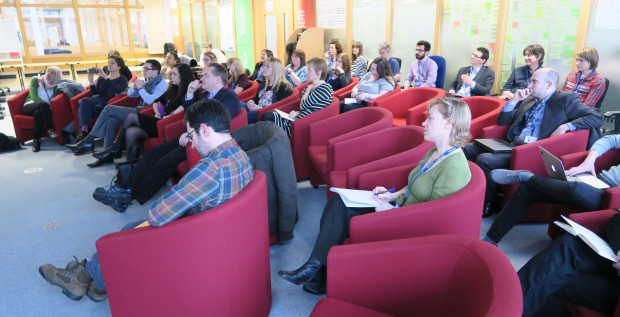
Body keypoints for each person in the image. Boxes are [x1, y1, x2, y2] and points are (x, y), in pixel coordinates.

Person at [39, 99, 254, 303]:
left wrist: (177, 194)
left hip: (195, 241)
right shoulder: (240, 155)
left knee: (124, 236)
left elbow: (157, 215)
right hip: (217, 234)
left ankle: (81, 279)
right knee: (130, 227)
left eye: (191, 135)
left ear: (205, 130)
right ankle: (93, 282)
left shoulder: (210, 169)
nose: (192, 143)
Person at [278, 97, 473, 295]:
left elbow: (434, 218)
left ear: (449, 123)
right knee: (339, 202)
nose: (424, 122)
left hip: (409, 224)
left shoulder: (454, 166)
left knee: (343, 211)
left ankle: (316, 272)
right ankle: (316, 269)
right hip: (399, 209)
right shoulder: (434, 152)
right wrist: (391, 195)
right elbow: (414, 184)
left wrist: (390, 213)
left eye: (430, 118)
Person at [93, 63, 241, 213]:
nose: (201, 78)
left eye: (205, 75)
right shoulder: (205, 94)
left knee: (165, 161)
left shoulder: (229, 97)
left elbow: (218, 124)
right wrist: (190, 93)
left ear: (217, 79)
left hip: (206, 144)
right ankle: (125, 187)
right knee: (154, 153)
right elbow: (190, 114)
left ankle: (129, 195)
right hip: (191, 136)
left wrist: (191, 133)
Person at [462, 68, 602, 217]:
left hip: (531, 151)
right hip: (512, 144)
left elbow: (596, 117)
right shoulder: (529, 99)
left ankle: (489, 200)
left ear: (548, 85)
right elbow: (502, 121)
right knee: (467, 149)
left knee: (485, 160)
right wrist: (514, 100)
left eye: (534, 82)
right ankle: (466, 193)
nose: (529, 85)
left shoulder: (566, 99)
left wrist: (566, 126)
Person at [482, 134, 620, 246]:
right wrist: (589, 161)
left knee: (576, 189)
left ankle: (529, 177)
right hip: (596, 180)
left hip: (611, 196)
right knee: (528, 190)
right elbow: (610, 139)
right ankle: (491, 239)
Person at [88, 63, 194, 167]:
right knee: (130, 131)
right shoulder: (172, 88)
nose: (170, 76)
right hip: (157, 118)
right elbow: (156, 101)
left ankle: (112, 147)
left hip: (164, 123)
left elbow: (180, 110)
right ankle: (130, 164)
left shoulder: (185, 92)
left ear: (183, 76)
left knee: (127, 115)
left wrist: (142, 89)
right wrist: (157, 110)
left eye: (174, 74)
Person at [517, 212, 620, 316]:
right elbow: (616, 220)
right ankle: (509, 305)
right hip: (615, 261)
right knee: (566, 247)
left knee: (558, 278)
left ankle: (510, 309)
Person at [67, 59, 168, 156]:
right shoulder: (148, 82)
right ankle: (106, 153)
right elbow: (130, 94)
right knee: (110, 121)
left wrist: (141, 88)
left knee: (108, 108)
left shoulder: (162, 84)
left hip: (144, 113)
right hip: (138, 109)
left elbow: (151, 100)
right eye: (143, 68)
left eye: (146, 69)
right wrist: (135, 88)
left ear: (155, 71)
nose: (143, 71)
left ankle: (88, 141)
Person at [263, 58, 333, 136]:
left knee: (267, 118)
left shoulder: (324, 89)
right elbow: (308, 107)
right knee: (267, 116)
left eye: (309, 70)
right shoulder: (311, 87)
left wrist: (308, 90)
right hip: (297, 118)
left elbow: (303, 105)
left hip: (301, 125)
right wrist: (297, 112)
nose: (306, 73)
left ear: (319, 73)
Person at [76, 55, 129, 142]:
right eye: (108, 62)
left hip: (108, 105)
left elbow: (115, 92)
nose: (109, 65)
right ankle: (84, 132)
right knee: (84, 102)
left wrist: (106, 77)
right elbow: (95, 94)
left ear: (119, 66)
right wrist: (91, 82)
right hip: (97, 101)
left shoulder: (122, 79)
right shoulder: (102, 77)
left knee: (82, 107)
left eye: (112, 63)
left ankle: (85, 132)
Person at [22, 66, 63, 152]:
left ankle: (36, 140)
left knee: (38, 113)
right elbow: (33, 95)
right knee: (43, 106)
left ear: (56, 75)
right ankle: (50, 128)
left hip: (43, 110)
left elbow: (57, 97)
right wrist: (45, 104)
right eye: (48, 71)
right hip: (29, 106)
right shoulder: (36, 80)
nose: (49, 74)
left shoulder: (57, 85)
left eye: (52, 73)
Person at [245, 57, 293, 123]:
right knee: (239, 105)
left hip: (265, 114)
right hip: (256, 109)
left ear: (275, 70)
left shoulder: (283, 86)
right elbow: (256, 99)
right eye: (264, 66)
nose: (264, 68)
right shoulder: (264, 83)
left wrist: (260, 109)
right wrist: (250, 101)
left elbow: (280, 109)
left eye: (267, 67)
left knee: (242, 117)